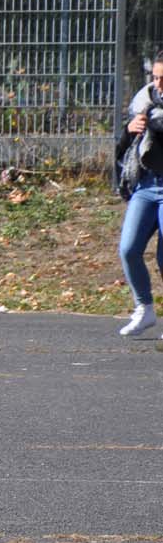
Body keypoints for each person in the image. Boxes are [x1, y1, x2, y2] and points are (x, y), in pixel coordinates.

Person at [117, 54, 163, 338]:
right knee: (128, 248)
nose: (159, 84)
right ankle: (144, 308)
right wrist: (129, 129)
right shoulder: (144, 102)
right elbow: (122, 149)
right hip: (146, 185)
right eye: (156, 77)